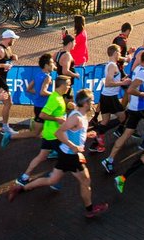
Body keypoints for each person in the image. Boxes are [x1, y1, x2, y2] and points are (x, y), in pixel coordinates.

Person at [8, 88, 109, 218]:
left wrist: (86, 135)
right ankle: (90, 209)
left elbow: (73, 132)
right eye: (92, 101)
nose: (94, 103)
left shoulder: (81, 115)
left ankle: (20, 189)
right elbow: (59, 133)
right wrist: (73, 146)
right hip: (70, 156)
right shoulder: (76, 118)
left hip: (65, 154)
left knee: (52, 180)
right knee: (85, 181)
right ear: (86, 103)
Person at [103, 48, 144, 174]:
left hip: (134, 108)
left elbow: (138, 86)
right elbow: (131, 90)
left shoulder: (137, 69)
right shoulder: (143, 72)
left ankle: (109, 160)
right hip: (142, 107)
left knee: (126, 134)